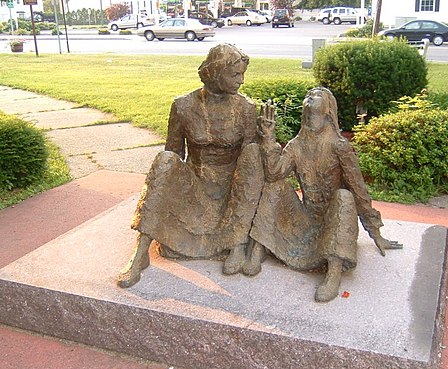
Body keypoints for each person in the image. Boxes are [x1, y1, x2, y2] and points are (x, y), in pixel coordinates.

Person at [118, 44, 264, 288]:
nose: (241, 81)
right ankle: (140, 251)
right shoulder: (183, 105)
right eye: (235, 74)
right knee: (165, 161)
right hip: (195, 188)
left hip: (232, 191)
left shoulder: (246, 108)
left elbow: (252, 168)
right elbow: (174, 153)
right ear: (216, 72)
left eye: (242, 74)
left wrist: (266, 138)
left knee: (251, 153)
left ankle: (236, 242)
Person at [245, 87, 402, 302]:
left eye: (316, 94)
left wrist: (375, 231)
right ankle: (259, 247)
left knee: (345, 196)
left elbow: (359, 190)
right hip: (305, 220)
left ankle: (334, 271)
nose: (310, 96)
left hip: (332, 222)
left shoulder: (339, 146)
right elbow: (274, 174)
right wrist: (268, 138)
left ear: (329, 109)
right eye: (307, 94)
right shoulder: (295, 145)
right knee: (276, 187)